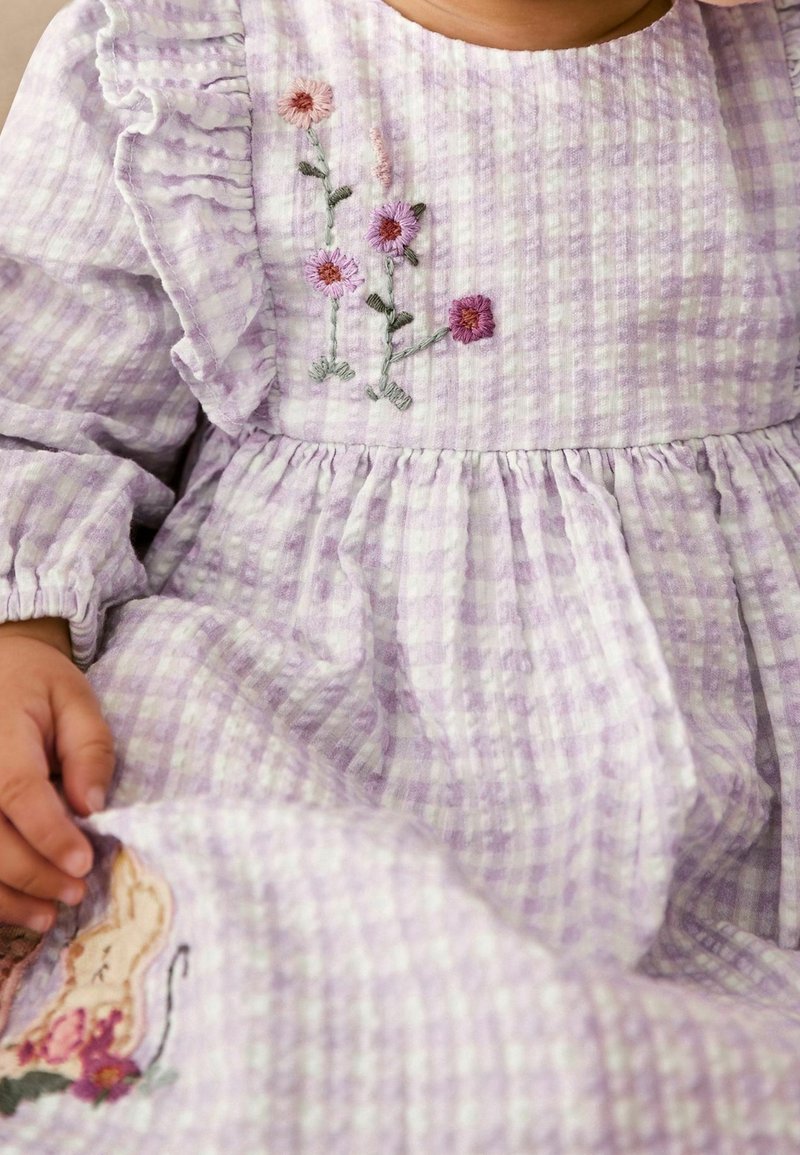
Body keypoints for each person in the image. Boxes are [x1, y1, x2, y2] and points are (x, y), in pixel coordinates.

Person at [0, 0, 799, 1147]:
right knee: (217, 994)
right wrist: (17, 634)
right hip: (310, 720)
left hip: (730, 756)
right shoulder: (183, 61)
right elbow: (36, 410)